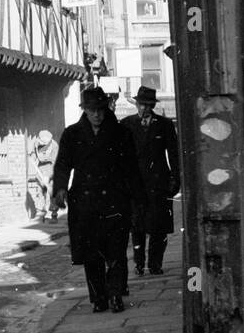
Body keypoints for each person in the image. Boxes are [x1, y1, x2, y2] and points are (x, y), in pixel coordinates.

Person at [52, 86, 145, 314]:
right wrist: (60, 189)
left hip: (115, 200)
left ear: (106, 108)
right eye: (92, 110)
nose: (97, 115)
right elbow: (63, 164)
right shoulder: (72, 134)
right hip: (85, 204)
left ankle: (115, 295)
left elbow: (132, 169)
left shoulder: (121, 134)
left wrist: (138, 200)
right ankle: (98, 298)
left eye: (100, 109)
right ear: (84, 110)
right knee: (91, 254)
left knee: (115, 251)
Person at [122, 85, 180, 276]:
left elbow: (174, 153)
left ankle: (155, 264)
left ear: (152, 105)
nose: (144, 109)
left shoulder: (164, 124)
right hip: (135, 184)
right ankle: (139, 264)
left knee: (158, 227)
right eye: (141, 105)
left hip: (158, 183)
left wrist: (175, 178)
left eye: (148, 105)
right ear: (136, 104)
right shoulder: (126, 124)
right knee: (137, 226)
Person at [29, 129, 59, 221]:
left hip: (51, 169)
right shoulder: (36, 143)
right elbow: (33, 153)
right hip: (40, 170)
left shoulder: (54, 146)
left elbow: (55, 162)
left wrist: (49, 176)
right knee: (40, 192)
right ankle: (40, 213)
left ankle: (54, 214)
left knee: (52, 193)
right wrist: (32, 157)